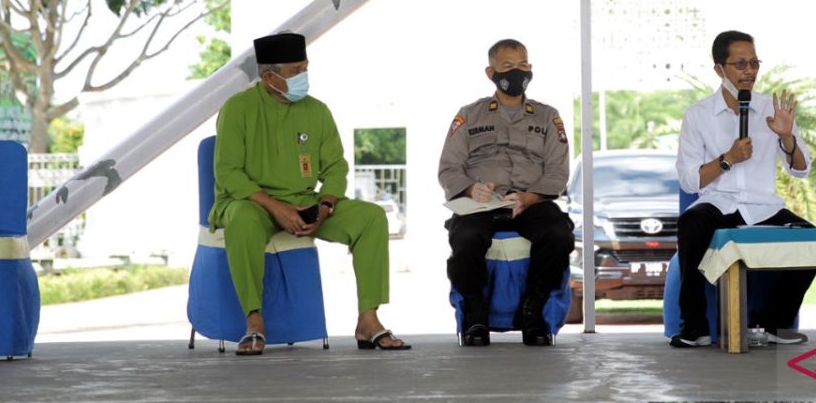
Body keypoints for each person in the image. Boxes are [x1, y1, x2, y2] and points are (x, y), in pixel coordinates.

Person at [212, 32, 408, 355]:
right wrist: (276, 208)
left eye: (305, 68)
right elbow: (228, 173)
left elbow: (335, 168)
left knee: (371, 217)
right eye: (294, 72)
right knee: (243, 220)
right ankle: (254, 319)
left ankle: (368, 320)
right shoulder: (237, 109)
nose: (303, 77)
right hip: (253, 203)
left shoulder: (317, 111)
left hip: (306, 202)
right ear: (269, 77)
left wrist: (326, 206)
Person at [671, 30, 816, 348]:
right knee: (690, 223)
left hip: (763, 206)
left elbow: (801, 169)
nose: (749, 71)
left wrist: (787, 137)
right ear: (719, 70)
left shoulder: (772, 108)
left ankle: (775, 323)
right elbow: (689, 181)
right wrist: (727, 159)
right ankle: (694, 328)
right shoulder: (698, 115)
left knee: (811, 238)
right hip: (718, 204)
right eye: (740, 64)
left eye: (754, 63)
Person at [438, 38, 574, 347]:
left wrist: (527, 198)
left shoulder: (547, 116)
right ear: (491, 73)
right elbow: (449, 168)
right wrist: (473, 189)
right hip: (483, 203)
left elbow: (557, 171)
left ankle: (535, 312)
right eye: (508, 67)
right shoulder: (469, 115)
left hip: (531, 201)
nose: (518, 73)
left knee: (558, 233)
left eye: (523, 65)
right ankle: (474, 315)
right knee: (466, 236)